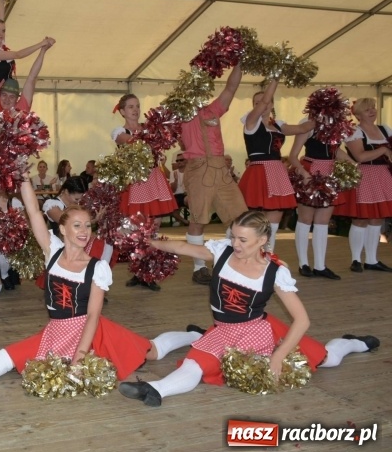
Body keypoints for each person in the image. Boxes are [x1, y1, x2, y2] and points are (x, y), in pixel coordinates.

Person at [0, 179, 201, 392]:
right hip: (56, 331)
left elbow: (94, 317)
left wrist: (79, 361)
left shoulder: (97, 269)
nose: (84, 232)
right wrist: (25, 178)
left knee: (152, 352)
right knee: (3, 359)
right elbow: (33, 213)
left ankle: (191, 335)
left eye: (87, 226)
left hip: (94, 334)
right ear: (62, 229)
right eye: (77, 226)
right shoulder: (53, 253)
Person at [118, 210, 380, 407]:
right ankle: (154, 390)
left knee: (328, 360)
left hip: (259, 332)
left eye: (243, 240)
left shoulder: (274, 272)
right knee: (195, 364)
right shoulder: (222, 252)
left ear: (263, 240)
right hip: (223, 330)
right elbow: (182, 247)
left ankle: (353, 343)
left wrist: (278, 356)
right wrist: (151, 242)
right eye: (233, 237)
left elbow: (302, 320)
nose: (236, 244)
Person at [180, 64, 247, 285]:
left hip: (221, 168)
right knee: (199, 218)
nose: (198, 93)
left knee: (240, 217)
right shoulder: (180, 113)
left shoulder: (213, 110)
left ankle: (236, 262)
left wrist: (240, 65)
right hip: (198, 168)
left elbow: (231, 87)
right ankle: (200, 268)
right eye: (193, 88)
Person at [238, 80, 315, 253]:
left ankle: (267, 254)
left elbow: (303, 127)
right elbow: (264, 103)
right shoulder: (251, 122)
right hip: (258, 170)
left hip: (277, 171)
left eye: (264, 101)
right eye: (256, 103)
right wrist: (275, 78)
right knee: (249, 216)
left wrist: (322, 112)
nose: (261, 104)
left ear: (272, 104)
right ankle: (237, 250)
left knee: (275, 216)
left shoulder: (278, 124)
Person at [112, 93, 177, 290]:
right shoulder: (119, 131)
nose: (135, 109)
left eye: (137, 106)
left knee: (154, 225)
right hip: (136, 181)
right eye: (130, 106)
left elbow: (160, 145)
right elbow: (133, 144)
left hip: (153, 178)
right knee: (137, 228)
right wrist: (153, 135)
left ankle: (148, 273)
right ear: (122, 111)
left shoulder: (149, 129)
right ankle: (138, 270)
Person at [288, 112, 354, 280]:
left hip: (329, 175)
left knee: (323, 222)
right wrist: (303, 173)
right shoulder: (308, 125)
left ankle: (320, 265)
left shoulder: (337, 127)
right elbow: (293, 155)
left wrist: (352, 164)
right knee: (305, 219)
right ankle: (303, 263)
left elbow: (335, 151)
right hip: (310, 173)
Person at [332, 98, 392, 272]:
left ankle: (372, 259)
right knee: (361, 219)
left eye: (373, 108)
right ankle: (356, 259)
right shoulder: (354, 131)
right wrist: (383, 150)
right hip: (364, 175)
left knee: (377, 218)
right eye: (367, 110)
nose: (372, 111)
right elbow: (360, 157)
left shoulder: (384, 129)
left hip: (383, 175)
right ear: (357, 114)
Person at [0, 42, 52, 160]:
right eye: (4, 95)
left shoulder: (21, 108)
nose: (7, 100)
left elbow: (32, 77)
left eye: (11, 97)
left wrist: (43, 51)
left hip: (15, 171)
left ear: (17, 98)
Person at [168, 153, 189, 226]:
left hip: (188, 195)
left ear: (186, 161)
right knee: (169, 207)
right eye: (177, 161)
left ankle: (195, 220)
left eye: (181, 160)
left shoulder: (191, 172)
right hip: (176, 195)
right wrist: (176, 181)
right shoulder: (173, 173)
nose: (179, 162)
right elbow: (173, 190)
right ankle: (185, 221)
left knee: (189, 200)